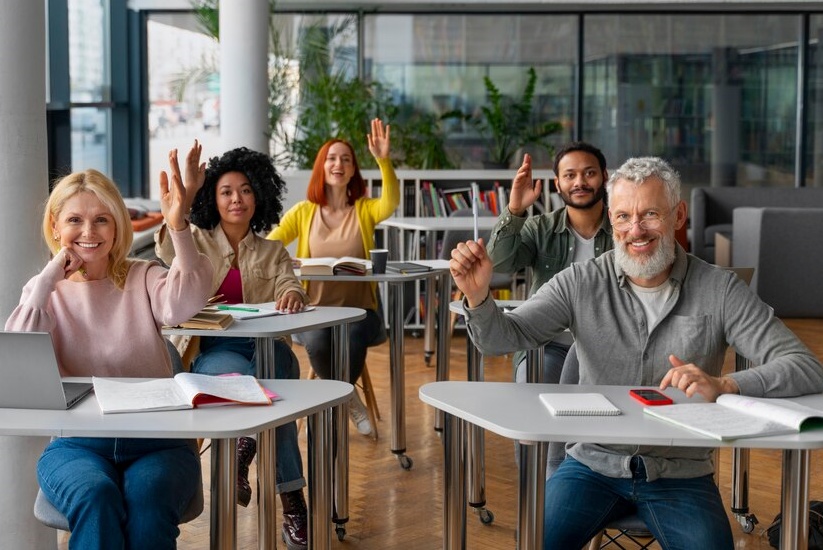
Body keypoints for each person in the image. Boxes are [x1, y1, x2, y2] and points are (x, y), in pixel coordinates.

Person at [449, 156, 823, 549]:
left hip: (681, 472)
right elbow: (501, 338)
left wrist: (725, 383)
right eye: (624, 217)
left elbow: (805, 367)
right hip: (591, 466)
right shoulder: (580, 281)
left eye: (649, 214)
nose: (635, 230)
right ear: (611, 221)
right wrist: (477, 297)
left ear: (679, 216)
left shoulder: (720, 288)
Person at [5, 166, 213, 549]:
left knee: (148, 503)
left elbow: (187, 302)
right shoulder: (44, 292)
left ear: (117, 227)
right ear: (55, 227)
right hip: (77, 445)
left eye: (102, 219)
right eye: (74, 220)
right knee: (94, 497)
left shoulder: (144, 276)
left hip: (160, 443)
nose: (89, 232)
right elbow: (17, 355)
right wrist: (48, 281)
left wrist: (179, 225)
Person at [155, 142, 310, 550]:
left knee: (269, 378)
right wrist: (183, 197)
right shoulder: (195, 241)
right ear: (213, 198)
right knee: (275, 409)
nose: (236, 198)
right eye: (225, 191)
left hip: (267, 349)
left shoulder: (274, 250)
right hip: (217, 351)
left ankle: (245, 447)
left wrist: (292, 293)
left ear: (258, 194)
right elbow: (166, 248)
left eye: (244, 189)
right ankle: (293, 501)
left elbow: (288, 281)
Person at [267, 118, 399, 437]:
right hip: (313, 312)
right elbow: (269, 245)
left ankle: (334, 402)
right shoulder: (303, 212)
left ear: (353, 170)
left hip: (361, 313)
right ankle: (348, 399)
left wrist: (383, 159)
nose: (338, 163)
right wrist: (288, 259)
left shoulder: (365, 210)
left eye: (346, 159)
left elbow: (391, 202)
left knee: (351, 336)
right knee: (317, 339)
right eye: (331, 158)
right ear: (321, 167)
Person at [486, 143, 613, 384]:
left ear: (604, 176)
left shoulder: (623, 229)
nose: (579, 182)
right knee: (530, 395)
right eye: (569, 175)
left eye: (589, 173)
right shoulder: (540, 228)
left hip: (608, 347)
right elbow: (500, 263)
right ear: (557, 184)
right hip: (548, 346)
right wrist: (515, 209)